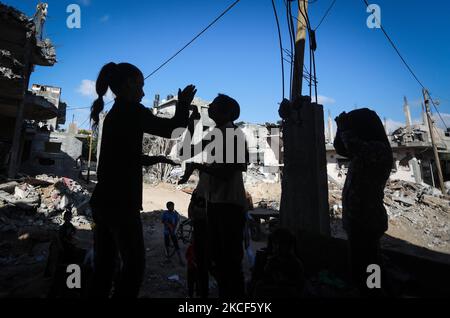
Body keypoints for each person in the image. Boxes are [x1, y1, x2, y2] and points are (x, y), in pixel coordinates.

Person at [89, 62, 196, 298]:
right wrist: (184, 105)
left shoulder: (116, 114)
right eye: (141, 85)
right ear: (129, 85)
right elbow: (174, 131)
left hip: (103, 201)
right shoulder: (131, 111)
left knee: (105, 267)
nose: (144, 92)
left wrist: (158, 158)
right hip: (120, 204)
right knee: (134, 267)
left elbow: (126, 158)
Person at [179, 94, 249, 297]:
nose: (209, 108)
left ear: (227, 112)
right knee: (216, 259)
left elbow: (227, 173)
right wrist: (192, 123)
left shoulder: (235, 135)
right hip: (215, 204)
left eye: (214, 106)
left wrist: (200, 166)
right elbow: (187, 151)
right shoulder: (215, 133)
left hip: (228, 206)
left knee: (229, 263)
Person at [333, 108, 393, 296]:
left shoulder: (378, 150)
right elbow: (341, 147)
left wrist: (344, 127)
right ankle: (365, 291)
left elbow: (352, 146)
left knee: (370, 265)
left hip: (368, 219)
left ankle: (373, 292)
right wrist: (340, 129)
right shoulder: (362, 151)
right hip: (357, 221)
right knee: (360, 266)